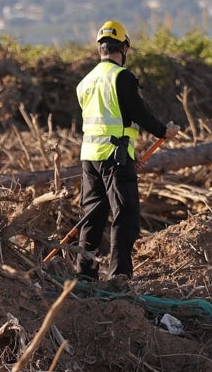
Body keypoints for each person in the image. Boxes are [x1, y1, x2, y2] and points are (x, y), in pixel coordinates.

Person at [74, 20, 180, 282]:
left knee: (92, 216)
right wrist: (163, 131)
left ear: (100, 49)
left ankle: (84, 275)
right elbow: (138, 113)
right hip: (114, 158)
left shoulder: (84, 83)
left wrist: (128, 151)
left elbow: (104, 123)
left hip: (90, 157)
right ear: (123, 48)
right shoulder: (123, 77)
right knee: (125, 214)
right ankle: (119, 276)